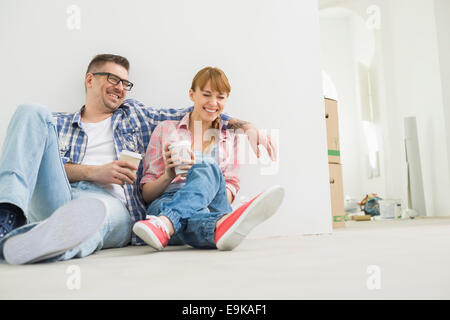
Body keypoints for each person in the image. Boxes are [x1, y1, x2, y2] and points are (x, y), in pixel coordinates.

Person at [0, 54, 278, 265]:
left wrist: (247, 127)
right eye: (113, 79)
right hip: (61, 195)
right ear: (90, 79)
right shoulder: (56, 124)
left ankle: (35, 244)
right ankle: (7, 218)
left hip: (111, 205)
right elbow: (37, 170)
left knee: (94, 217)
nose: (120, 88)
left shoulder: (136, 115)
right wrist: (93, 172)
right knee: (30, 110)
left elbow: (202, 111)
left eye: (125, 83)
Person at [132, 67, 284, 251]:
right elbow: (146, 194)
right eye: (206, 94)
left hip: (213, 201)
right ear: (192, 94)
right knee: (192, 215)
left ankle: (166, 223)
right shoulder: (165, 129)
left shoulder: (231, 137)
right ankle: (222, 225)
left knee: (205, 163)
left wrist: (202, 192)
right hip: (167, 199)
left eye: (221, 97)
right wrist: (167, 176)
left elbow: (230, 188)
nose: (213, 103)